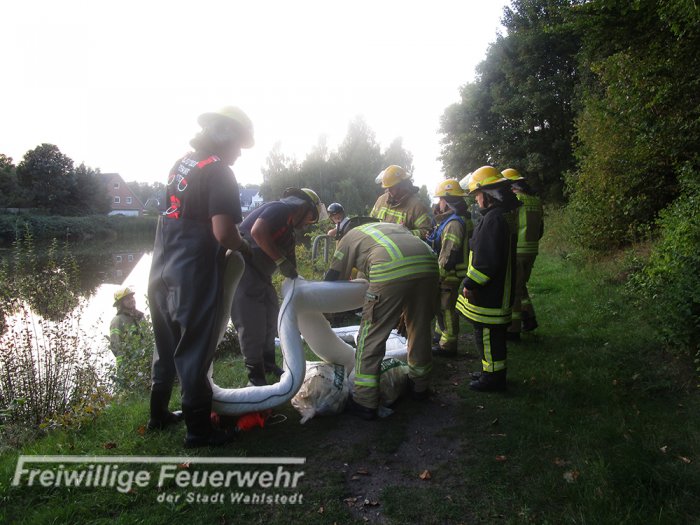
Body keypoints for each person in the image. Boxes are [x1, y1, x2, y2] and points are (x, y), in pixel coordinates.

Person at [147, 105, 253, 447]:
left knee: (165, 343)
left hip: (161, 265)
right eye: (239, 145)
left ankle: (158, 415)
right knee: (194, 347)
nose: (239, 153)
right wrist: (243, 246)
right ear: (225, 136)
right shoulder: (219, 171)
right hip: (192, 271)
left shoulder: (183, 163)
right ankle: (199, 430)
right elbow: (223, 233)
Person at [324, 219, 439, 420]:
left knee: (371, 334)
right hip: (429, 265)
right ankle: (419, 387)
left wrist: (325, 308)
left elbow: (334, 277)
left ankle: (364, 400)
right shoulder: (389, 227)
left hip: (390, 268)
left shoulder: (348, 237)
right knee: (419, 328)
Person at [231, 187, 328, 386]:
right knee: (252, 322)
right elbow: (258, 232)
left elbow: (292, 265)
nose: (308, 223)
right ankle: (255, 375)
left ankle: (268, 364)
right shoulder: (280, 209)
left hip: (261, 275)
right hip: (244, 270)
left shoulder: (289, 233)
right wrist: (280, 261)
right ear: (303, 207)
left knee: (271, 314)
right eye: (310, 217)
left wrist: (298, 279)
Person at [455, 166, 520, 392]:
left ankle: (492, 378)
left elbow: (487, 261)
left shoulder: (494, 220)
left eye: (477, 194)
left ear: (488, 194)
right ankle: (490, 371)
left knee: (488, 336)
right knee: (491, 336)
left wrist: (470, 283)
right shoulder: (500, 216)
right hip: (498, 289)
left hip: (491, 292)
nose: (476, 199)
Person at [426, 179, 472, 357]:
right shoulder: (451, 220)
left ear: (448, 201)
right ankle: (441, 336)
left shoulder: (453, 224)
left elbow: (448, 254)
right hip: (448, 273)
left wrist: (439, 276)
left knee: (447, 309)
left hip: (449, 274)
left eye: (441, 199)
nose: (439, 203)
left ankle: (449, 345)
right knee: (441, 307)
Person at [502, 168, 544, 337]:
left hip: (517, 250)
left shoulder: (514, 201)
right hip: (532, 250)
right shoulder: (535, 201)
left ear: (511, 185)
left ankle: (513, 329)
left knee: (514, 289)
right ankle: (529, 317)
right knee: (520, 285)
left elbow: (507, 225)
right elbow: (541, 228)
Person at [370, 165, 434, 240]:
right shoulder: (381, 200)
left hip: (400, 247)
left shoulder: (416, 207)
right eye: (388, 187)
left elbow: (426, 231)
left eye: (392, 187)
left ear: (403, 185)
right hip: (377, 245)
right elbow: (370, 222)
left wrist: (407, 233)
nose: (389, 190)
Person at [109, 286, 145, 360]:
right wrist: (129, 362)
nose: (131, 300)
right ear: (120, 303)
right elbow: (116, 346)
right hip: (130, 363)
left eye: (132, 297)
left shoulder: (140, 316)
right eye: (128, 299)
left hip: (146, 359)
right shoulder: (117, 321)